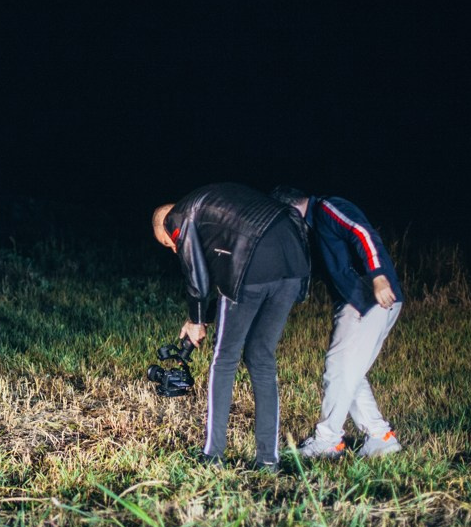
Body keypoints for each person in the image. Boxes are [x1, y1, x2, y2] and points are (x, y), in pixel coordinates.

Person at [151, 183, 310, 471]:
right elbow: (221, 279)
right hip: (294, 262)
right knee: (261, 357)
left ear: (166, 225)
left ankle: (213, 456)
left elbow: (197, 276)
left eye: (167, 242)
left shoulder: (178, 216)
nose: (173, 247)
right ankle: (268, 460)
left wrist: (197, 321)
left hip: (253, 261)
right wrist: (203, 315)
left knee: (224, 360)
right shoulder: (214, 207)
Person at [270, 187, 404, 459]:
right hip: (357, 300)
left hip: (367, 296)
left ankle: (328, 439)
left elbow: (362, 232)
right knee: (348, 371)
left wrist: (377, 275)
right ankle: (381, 437)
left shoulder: (326, 209)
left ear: (289, 210)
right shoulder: (315, 227)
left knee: (338, 368)